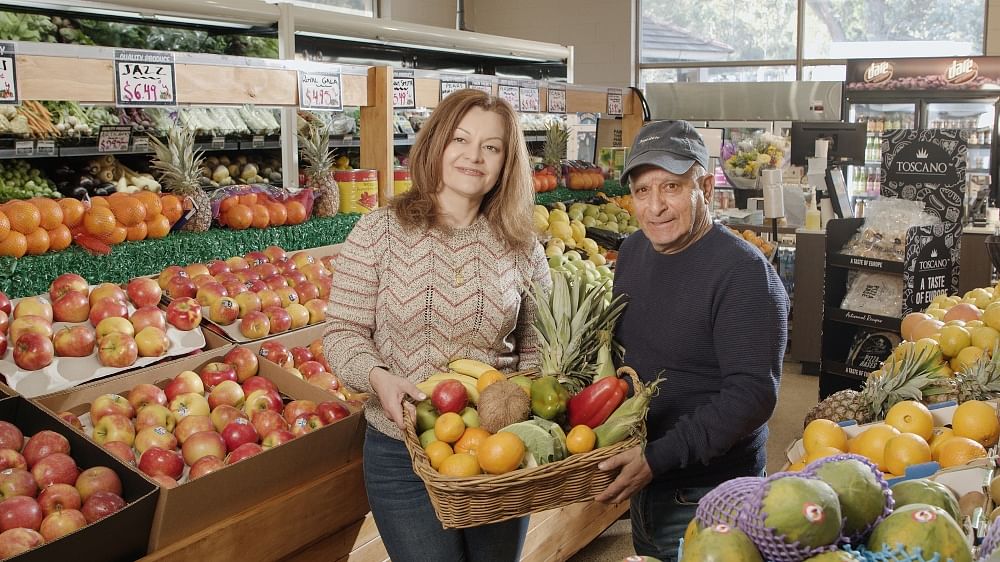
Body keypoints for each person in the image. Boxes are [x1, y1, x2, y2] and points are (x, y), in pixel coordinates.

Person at [323, 88, 550, 561]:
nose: (474, 156)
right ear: (437, 144)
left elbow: (539, 345)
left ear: (507, 162)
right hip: (399, 450)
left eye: (492, 147)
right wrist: (378, 378)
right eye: (461, 140)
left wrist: (522, 403)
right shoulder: (379, 231)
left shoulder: (522, 243)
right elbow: (343, 331)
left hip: (495, 450)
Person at [595, 120, 789, 560]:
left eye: (671, 188)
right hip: (647, 477)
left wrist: (657, 457)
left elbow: (752, 395)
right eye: (643, 191)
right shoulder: (632, 252)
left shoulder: (743, 274)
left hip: (709, 492)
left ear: (704, 185)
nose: (655, 207)